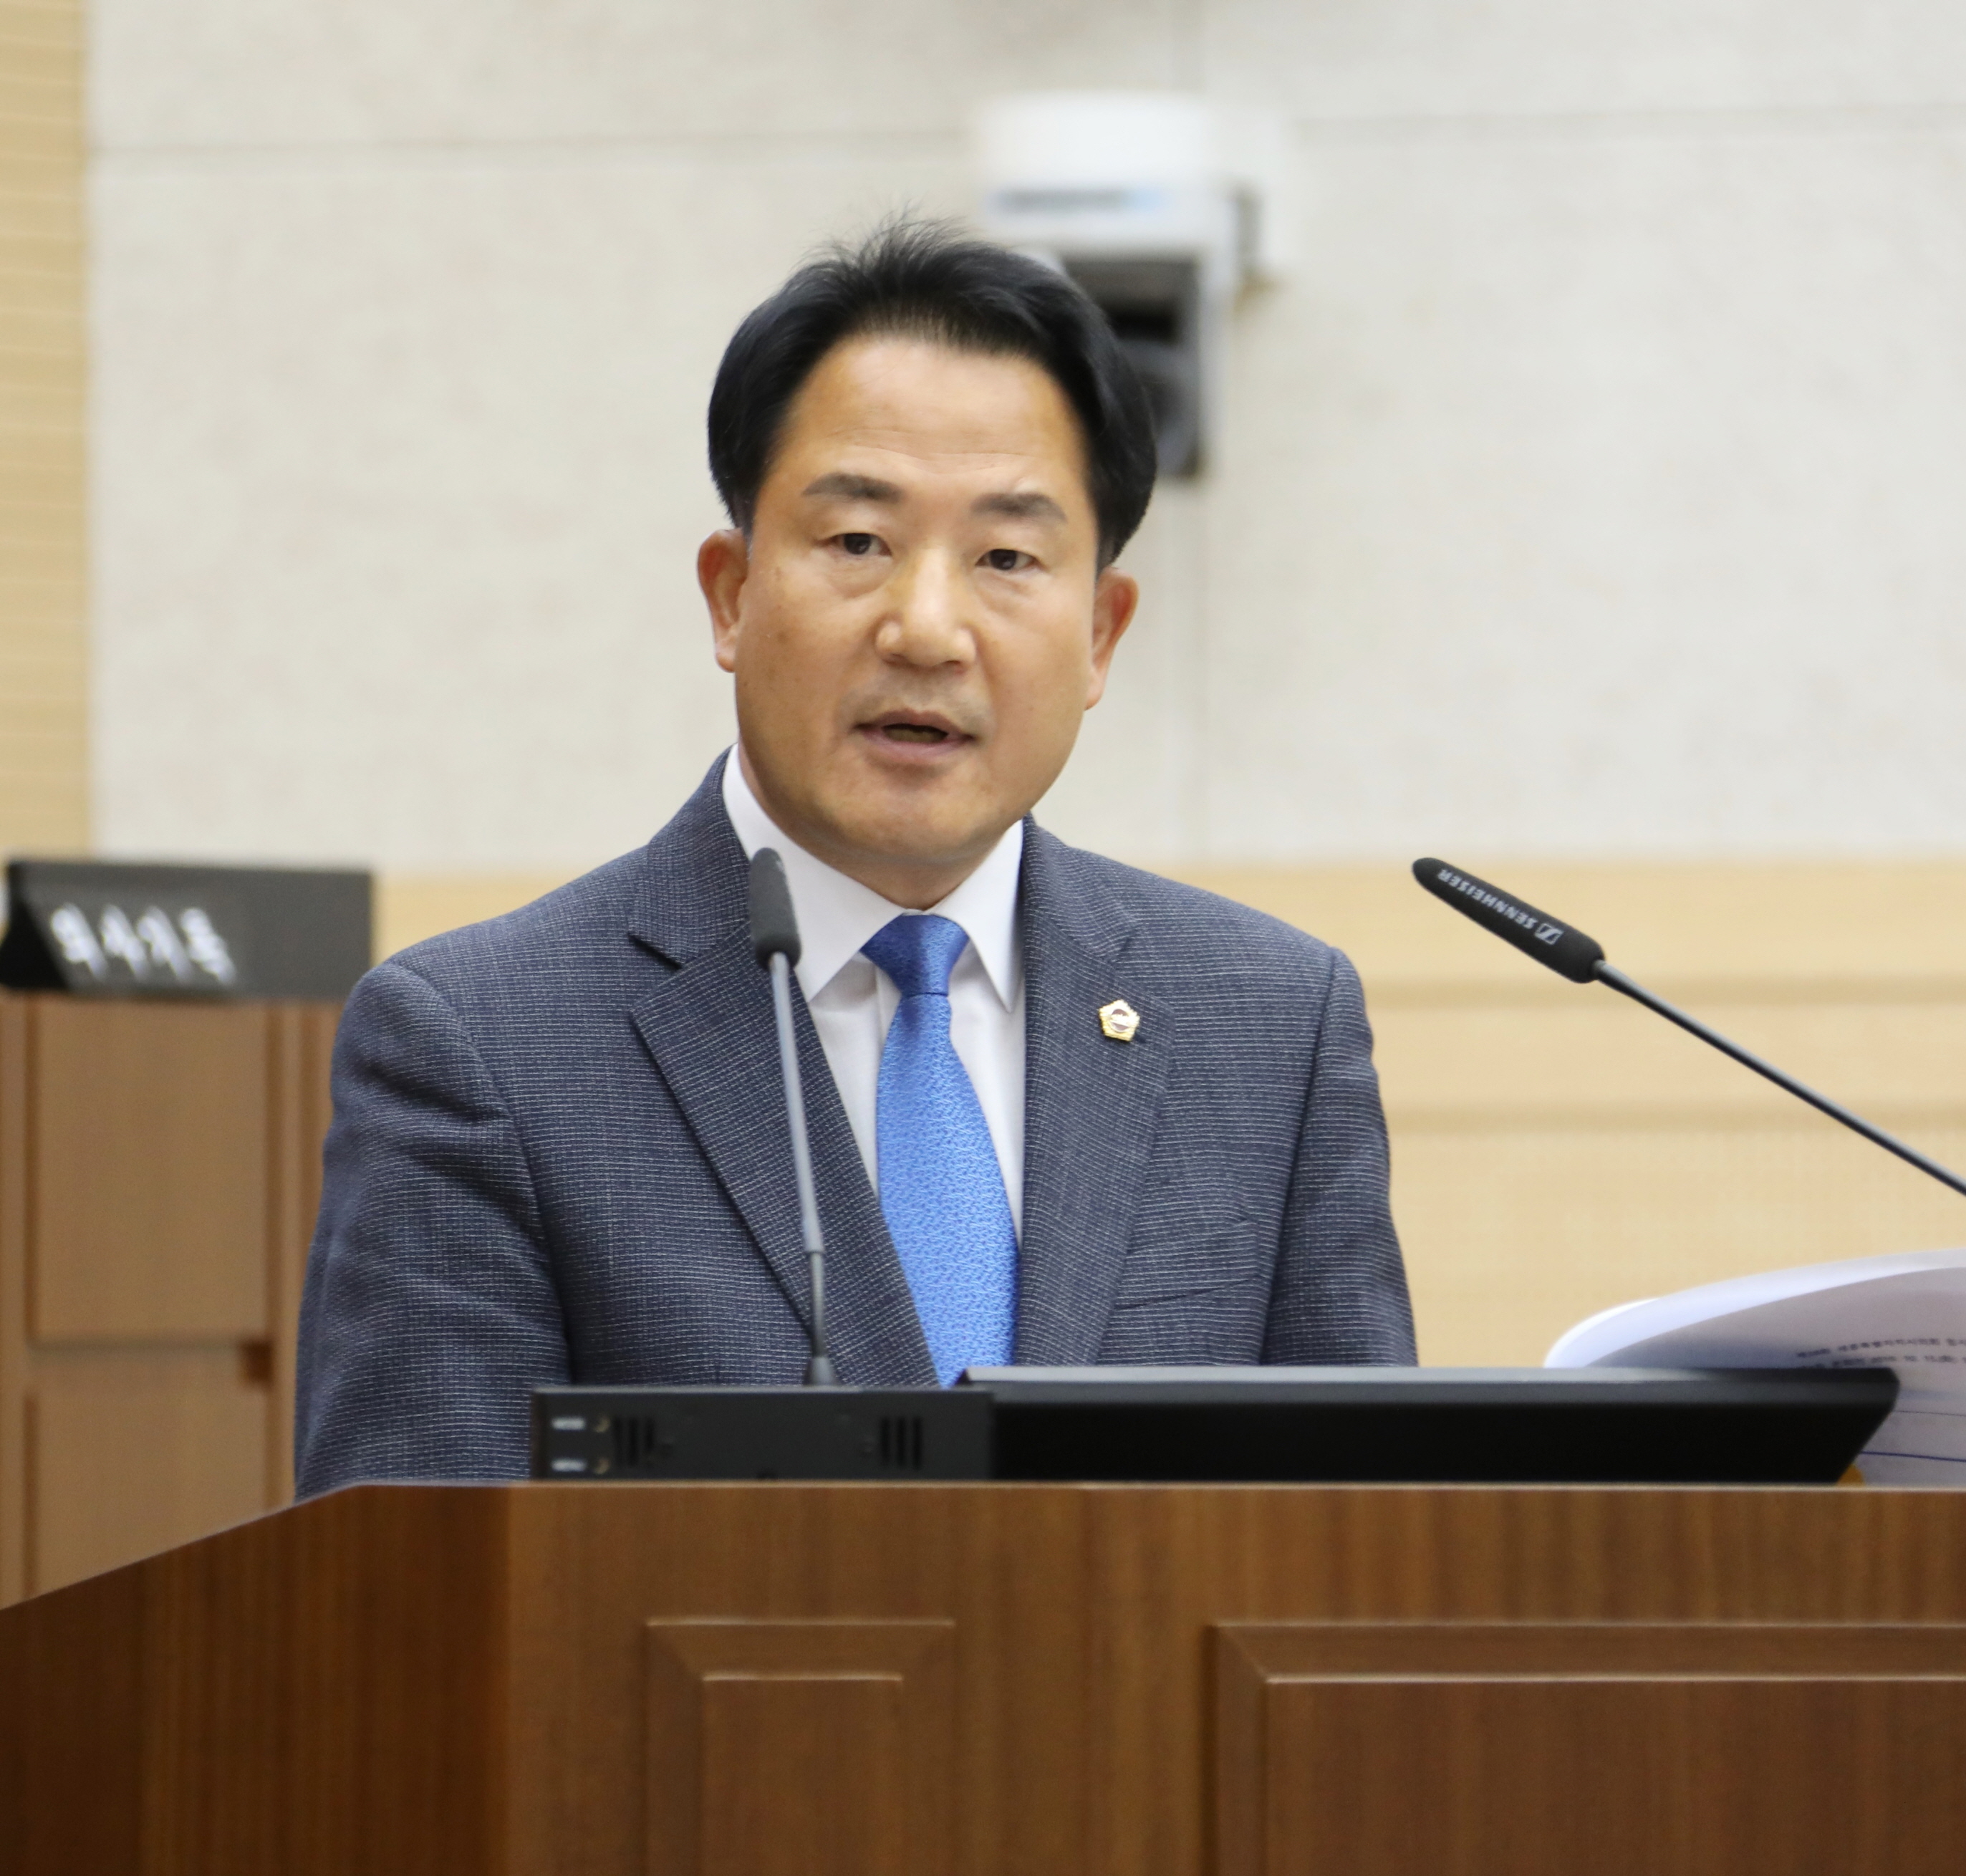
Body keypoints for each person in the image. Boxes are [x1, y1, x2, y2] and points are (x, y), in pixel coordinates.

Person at [294, 220, 1415, 1494]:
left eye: (1006, 558)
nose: (926, 628)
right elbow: (417, 1579)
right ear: (730, 595)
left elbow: (1362, 1544)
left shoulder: (1267, 1026)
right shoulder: (482, 1043)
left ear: (1101, 633)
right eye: (857, 544)